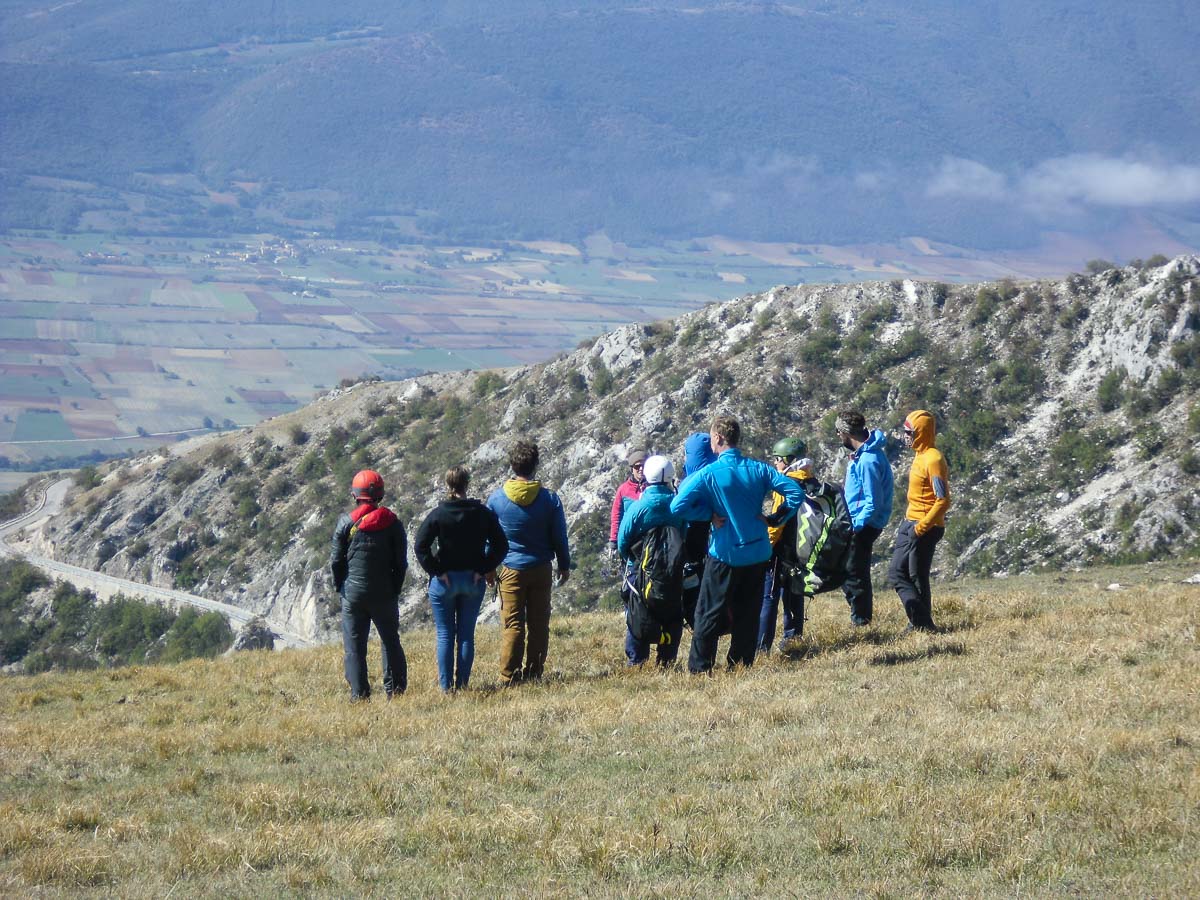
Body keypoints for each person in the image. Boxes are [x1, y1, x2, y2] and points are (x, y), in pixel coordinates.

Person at [670, 415, 805, 674]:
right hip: (757, 552)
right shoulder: (760, 469)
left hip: (725, 554)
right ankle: (740, 665)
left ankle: (700, 668)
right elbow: (795, 493)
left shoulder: (709, 473)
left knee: (708, 613)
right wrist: (776, 518)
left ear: (718, 438)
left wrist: (707, 515)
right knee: (748, 612)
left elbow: (677, 506)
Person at [414, 465, 509, 692]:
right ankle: (463, 685)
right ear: (467, 484)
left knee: (445, 635)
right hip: (473, 580)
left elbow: (420, 546)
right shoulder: (482, 513)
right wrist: (484, 568)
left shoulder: (439, 514)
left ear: (448, 485)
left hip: (445, 581)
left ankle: (446, 689)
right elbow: (501, 545)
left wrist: (437, 570)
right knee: (466, 636)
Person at [486, 439, 571, 684]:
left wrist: (489, 567)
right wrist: (564, 564)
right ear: (535, 465)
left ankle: (508, 675)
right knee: (539, 624)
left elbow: (489, 538)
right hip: (541, 568)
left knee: (513, 624)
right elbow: (559, 536)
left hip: (511, 569)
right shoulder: (549, 499)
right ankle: (534, 672)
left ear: (513, 466)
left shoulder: (497, 500)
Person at [329, 469, 408, 702]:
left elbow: (336, 561)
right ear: (380, 494)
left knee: (354, 647)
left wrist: (342, 588)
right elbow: (401, 563)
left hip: (353, 593)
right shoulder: (392, 523)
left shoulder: (346, 523)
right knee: (390, 640)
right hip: (384, 592)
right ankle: (395, 692)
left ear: (355, 495)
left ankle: (359, 695)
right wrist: (395, 588)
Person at [617, 454, 686, 666]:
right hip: (671, 572)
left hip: (640, 570)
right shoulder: (677, 506)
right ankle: (667, 659)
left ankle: (637, 659)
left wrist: (632, 561)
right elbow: (683, 533)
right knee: (672, 612)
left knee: (637, 611)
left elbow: (622, 541)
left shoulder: (639, 508)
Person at [889, 409, 950, 633]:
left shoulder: (933, 459)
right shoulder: (920, 455)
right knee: (904, 573)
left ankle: (922, 624)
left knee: (911, 575)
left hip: (924, 526)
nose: (905, 436)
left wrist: (921, 528)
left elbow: (943, 500)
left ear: (920, 433)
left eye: (909, 432)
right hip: (912, 521)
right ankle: (920, 622)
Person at [836, 409, 894, 626]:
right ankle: (860, 616)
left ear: (845, 432)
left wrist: (856, 525)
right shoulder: (863, 455)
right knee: (848, 570)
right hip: (858, 521)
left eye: (838, 432)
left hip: (863, 524)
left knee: (855, 573)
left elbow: (873, 501)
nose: (838, 436)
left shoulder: (868, 460)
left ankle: (861, 621)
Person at [758, 437, 813, 652]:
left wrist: (766, 547)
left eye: (778, 459)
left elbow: (777, 522)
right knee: (794, 591)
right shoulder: (809, 479)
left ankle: (761, 646)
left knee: (769, 596)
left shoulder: (786, 484)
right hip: (801, 547)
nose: (775, 463)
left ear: (789, 460)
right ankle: (793, 637)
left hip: (781, 549)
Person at [679, 432, 717, 625]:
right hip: (714, 547)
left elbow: (677, 509)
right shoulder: (716, 477)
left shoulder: (689, 482)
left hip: (691, 546)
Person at [605, 448, 647, 569]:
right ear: (631, 469)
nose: (641, 469)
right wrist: (613, 541)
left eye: (644, 465)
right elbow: (616, 516)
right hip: (631, 542)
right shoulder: (623, 490)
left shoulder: (653, 486)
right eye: (637, 466)